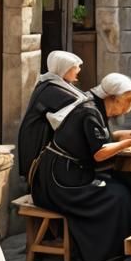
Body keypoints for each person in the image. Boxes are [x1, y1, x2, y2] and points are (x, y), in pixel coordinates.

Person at [30, 73, 131, 261]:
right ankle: (104, 254)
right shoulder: (90, 112)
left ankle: (127, 247)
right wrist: (130, 142)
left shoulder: (95, 106)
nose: (130, 106)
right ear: (112, 98)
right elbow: (100, 153)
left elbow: (101, 138)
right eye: (128, 101)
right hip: (60, 181)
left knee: (123, 186)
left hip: (66, 173)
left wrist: (130, 134)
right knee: (118, 196)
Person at [17, 51, 86, 181]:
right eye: (74, 67)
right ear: (63, 69)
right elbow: (81, 107)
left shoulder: (58, 83)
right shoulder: (51, 89)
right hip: (38, 141)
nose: (78, 70)